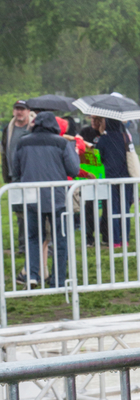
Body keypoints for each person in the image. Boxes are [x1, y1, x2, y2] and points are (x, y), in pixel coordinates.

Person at [16, 111, 80, 288]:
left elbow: (16, 169)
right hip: (57, 198)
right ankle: (58, 280)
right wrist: (74, 152)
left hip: (31, 197)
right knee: (60, 239)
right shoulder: (61, 143)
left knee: (33, 238)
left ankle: (32, 275)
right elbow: (74, 170)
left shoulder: (23, 142)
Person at [97, 118, 135, 247]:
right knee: (125, 209)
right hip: (126, 178)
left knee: (113, 210)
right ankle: (126, 239)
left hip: (110, 178)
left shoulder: (103, 139)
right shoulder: (125, 137)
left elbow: (99, 157)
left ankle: (115, 240)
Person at [2, 99, 32, 251]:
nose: (19, 112)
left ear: (28, 111)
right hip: (14, 177)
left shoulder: (33, 128)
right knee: (19, 214)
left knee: (34, 211)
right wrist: (6, 175)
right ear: (14, 111)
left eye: (22, 109)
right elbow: (4, 153)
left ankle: (39, 243)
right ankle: (23, 245)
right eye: (17, 109)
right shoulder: (8, 129)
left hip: (31, 176)